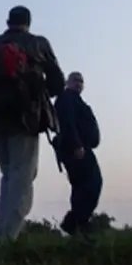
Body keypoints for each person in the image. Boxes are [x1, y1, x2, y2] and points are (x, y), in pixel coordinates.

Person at [0, 5, 65, 241]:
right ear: (28, 22)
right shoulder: (38, 43)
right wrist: (36, 91)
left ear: (8, 21)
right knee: (22, 178)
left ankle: (2, 232)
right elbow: (58, 82)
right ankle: (7, 239)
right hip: (26, 119)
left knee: (8, 176)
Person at [54, 72, 102, 236]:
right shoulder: (66, 98)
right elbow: (67, 123)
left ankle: (77, 225)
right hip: (76, 149)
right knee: (92, 184)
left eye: (81, 81)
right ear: (68, 82)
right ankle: (75, 222)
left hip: (82, 147)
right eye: (75, 80)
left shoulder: (76, 101)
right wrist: (76, 145)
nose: (79, 83)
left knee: (82, 187)